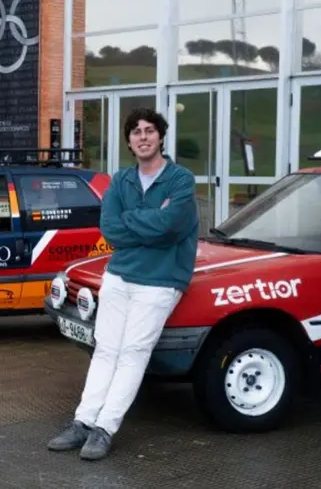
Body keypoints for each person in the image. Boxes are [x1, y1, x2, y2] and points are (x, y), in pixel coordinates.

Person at [47, 107, 198, 460]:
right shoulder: (121, 181)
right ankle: (82, 422)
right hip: (119, 275)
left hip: (160, 280)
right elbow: (111, 229)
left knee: (133, 353)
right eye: (136, 132)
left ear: (160, 136)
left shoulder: (180, 180)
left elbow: (170, 227)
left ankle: (105, 429)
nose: (143, 137)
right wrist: (147, 221)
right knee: (106, 349)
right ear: (129, 141)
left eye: (149, 130)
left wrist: (136, 222)